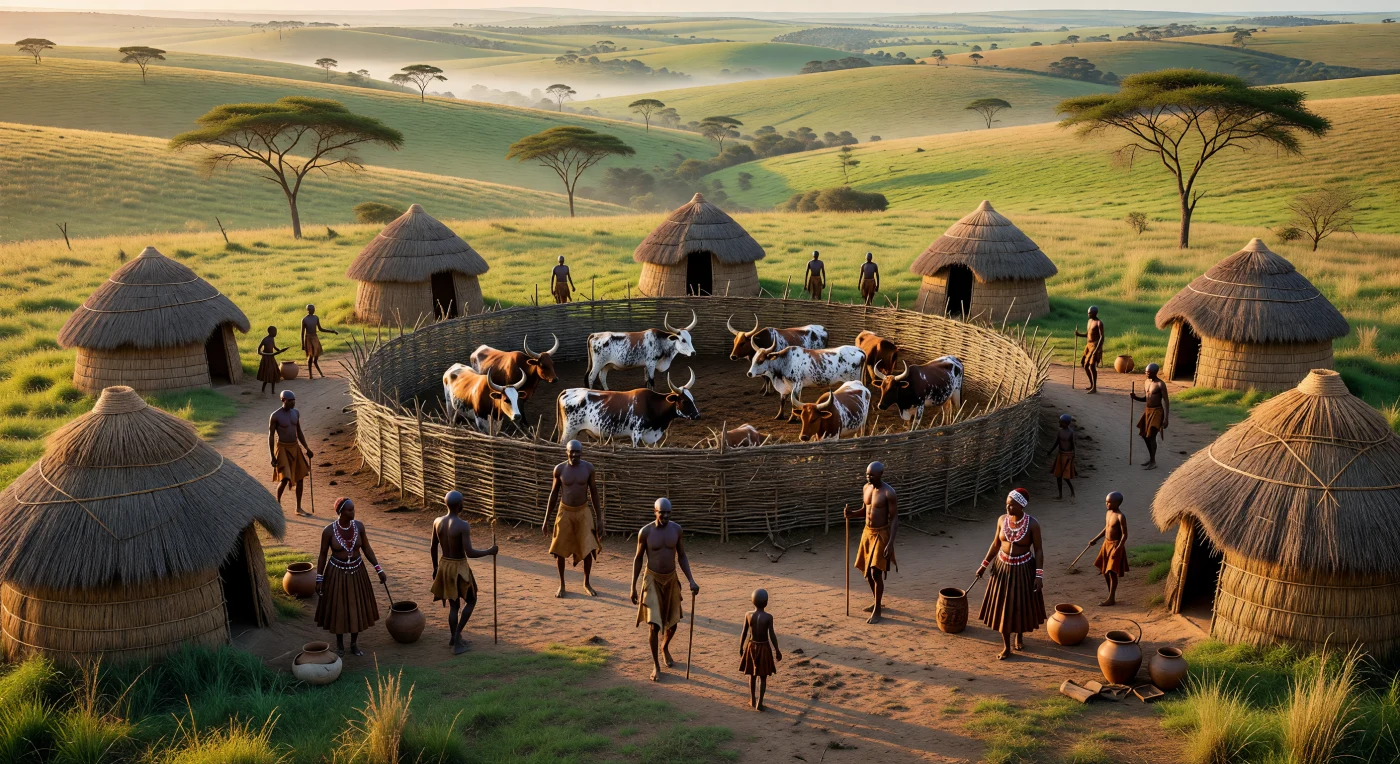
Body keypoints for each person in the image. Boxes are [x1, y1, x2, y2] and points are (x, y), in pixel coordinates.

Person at [630, 498, 700, 681]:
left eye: (669, 513)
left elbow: (682, 556)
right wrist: (633, 587)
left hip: (671, 578)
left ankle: (664, 647)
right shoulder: (645, 533)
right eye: (662, 512)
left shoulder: (676, 530)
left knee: (673, 622)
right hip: (652, 578)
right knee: (653, 625)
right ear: (655, 511)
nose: (666, 516)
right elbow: (638, 559)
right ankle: (656, 665)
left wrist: (691, 580)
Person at [973, 488, 1046, 660]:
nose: (1008, 508)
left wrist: (1039, 575)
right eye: (1007, 504)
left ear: (1021, 505)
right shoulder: (1001, 520)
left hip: (1023, 569)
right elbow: (995, 544)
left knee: (1020, 604)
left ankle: (1019, 634)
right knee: (1002, 606)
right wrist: (984, 565)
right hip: (1002, 568)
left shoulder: (1032, 524)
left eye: (1012, 505)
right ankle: (1006, 646)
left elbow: (1039, 550)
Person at [314, 498, 386, 656]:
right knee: (338, 607)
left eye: (353, 509)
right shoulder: (328, 531)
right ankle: (340, 645)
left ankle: (354, 644)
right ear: (340, 512)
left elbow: (367, 549)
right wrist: (319, 578)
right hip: (336, 573)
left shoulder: (359, 527)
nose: (353, 512)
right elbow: (322, 555)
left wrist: (378, 568)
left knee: (356, 606)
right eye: (349, 510)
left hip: (357, 571)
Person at [431, 490, 499, 654]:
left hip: (445, 565)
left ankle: (455, 638)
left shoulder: (437, 521)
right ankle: (457, 638)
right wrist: (490, 551)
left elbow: (433, 547)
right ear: (460, 505)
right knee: (471, 600)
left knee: (454, 606)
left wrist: (435, 569)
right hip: (459, 567)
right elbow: (470, 553)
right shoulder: (462, 525)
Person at [546, 440, 604, 597]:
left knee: (588, 548)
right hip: (564, 511)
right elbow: (553, 494)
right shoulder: (559, 469)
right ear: (566, 451)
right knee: (559, 550)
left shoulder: (588, 469)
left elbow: (594, 493)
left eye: (578, 452)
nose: (575, 455)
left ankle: (586, 583)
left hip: (583, 511)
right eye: (572, 452)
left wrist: (599, 519)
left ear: (582, 452)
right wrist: (546, 519)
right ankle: (562, 585)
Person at [845, 461, 897, 624]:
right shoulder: (866, 488)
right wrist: (852, 514)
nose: (869, 477)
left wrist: (890, 543)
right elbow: (865, 510)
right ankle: (877, 601)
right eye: (867, 474)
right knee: (867, 572)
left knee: (876, 572)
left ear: (881, 474)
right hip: (867, 533)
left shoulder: (889, 492)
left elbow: (895, 519)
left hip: (881, 534)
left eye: (872, 475)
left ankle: (878, 610)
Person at [268, 390, 313, 516]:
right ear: (283, 400)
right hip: (282, 448)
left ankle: (298, 508)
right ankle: (277, 506)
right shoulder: (275, 416)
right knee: (285, 478)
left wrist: (307, 448)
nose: (293, 402)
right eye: (290, 400)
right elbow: (271, 436)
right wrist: (272, 455)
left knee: (300, 478)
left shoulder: (296, 413)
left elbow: (299, 432)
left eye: (294, 400)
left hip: (295, 447)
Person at [739, 588, 782, 711]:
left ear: (752, 602)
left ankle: (752, 699)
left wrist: (741, 646)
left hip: (751, 646)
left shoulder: (748, 614)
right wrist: (777, 650)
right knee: (762, 676)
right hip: (764, 647)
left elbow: (744, 632)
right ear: (766, 602)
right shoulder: (768, 617)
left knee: (752, 674)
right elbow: (772, 635)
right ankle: (760, 703)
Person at [1088, 492, 1129, 606]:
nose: (1107, 504)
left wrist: (1118, 549)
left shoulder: (1121, 516)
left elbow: (1125, 535)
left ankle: (1111, 598)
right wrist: (1095, 539)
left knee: (1111, 572)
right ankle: (1110, 594)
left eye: (1110, 502)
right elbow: (1106, 528)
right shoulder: (1108, 513)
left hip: (1115, 545)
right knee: (1104, 570)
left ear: (1117, 503)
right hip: (1106, 544)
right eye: (1106, 501)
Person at [1130, 364, 1170, 469]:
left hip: (1157, 411)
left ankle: (1153, 461)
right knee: (1144, 435)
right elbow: (1146, 399)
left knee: (1151, 435)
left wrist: (1166, 418)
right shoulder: (1146, 382)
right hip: (1148, 411)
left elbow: (1166, 401)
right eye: (1146, 372)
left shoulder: (1160, 384)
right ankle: (1151, 458)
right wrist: (1135, 398)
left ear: (1155, 372)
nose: (1147, 374)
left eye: (1149, 372)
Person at [300, 304, 338, 380]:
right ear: (308, 310)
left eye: (314, 308)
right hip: (308, 339)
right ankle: (310, 375)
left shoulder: (316, 318)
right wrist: (303, 344)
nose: (313, 310)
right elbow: (302, 333)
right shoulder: (304, 320)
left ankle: (320, 373)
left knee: (316, 357)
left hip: (315, 338)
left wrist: (332, 331)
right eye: (311, 309)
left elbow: (320, 329)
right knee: (310, 357)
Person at [1046, 413, 1077, 500]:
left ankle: (1072, 491)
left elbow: (1073, 444)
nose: (1059, 424)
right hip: (1060, 455)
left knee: (1066, 476)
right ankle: (1060, 495)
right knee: (1058, 476)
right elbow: (1057, 442)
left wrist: (1074, 454)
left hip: (1067, 456)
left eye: (1061, 422)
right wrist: (1050, 451)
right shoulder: (1060, 432)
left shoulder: (1071, 433)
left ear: (1066, 423)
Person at [1075, 307, 1104, 394]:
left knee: (1092, 366)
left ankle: (1094, 387)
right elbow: (1088, 334)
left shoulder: (1099, 323)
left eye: (1090, 313)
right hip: (1088, 345)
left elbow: (1102, 337)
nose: (1088, 314)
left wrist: (1097, 349)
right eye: (1088, 313)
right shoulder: (1089, 321)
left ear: (1095, 313)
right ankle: (1091, 385)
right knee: (1084, 364)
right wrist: (1079, 334)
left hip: (1095, 346)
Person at [256, 325, 285, 395]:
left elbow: (274, 347)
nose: (276, 333)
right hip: (266, 359)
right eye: (275, 332)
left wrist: (279, 350)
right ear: (270, 332)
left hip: (272, 358)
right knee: (267, 374)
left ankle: (272, 391)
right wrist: (262, 353)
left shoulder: (272, 339)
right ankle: (263, 390)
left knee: (273, 373)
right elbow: (258, 349)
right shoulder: (265, 339)